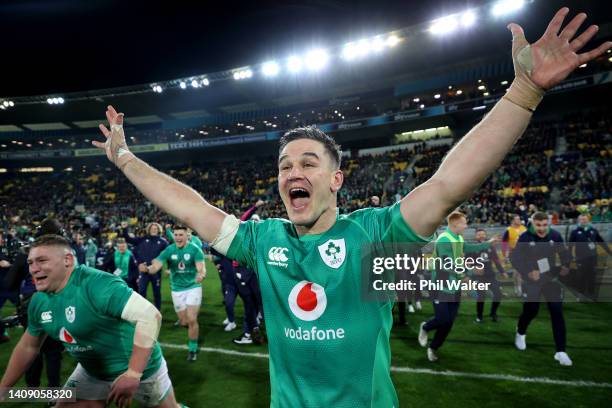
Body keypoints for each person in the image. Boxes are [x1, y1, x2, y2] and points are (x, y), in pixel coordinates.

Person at [92, 10, 611, 405]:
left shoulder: (374, 240)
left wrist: (522, 91)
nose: (292, 172)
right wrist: (126, 160)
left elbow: (448, 184)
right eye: (284, 165)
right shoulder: (264, 241)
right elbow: (191, 208)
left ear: (337, 179)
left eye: (308, 163)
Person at [0, 235, 185, 407]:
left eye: (42, 261)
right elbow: (28, 347)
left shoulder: (97, 284)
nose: (33, 268)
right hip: (92, 371)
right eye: (30, 263)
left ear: (68, 260)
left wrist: (133, 373)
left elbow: (150, 316)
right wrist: (4, 389)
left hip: (142, 370)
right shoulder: (38, 301)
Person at [418, 212, 496, 361]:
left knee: (449, 322)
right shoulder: (444, 240)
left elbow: (469, 248)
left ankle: (433, 347)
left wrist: (488, 243)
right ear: (455, 224)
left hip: (454, 286)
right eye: (464, 223)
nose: (466, 225)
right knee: (442, 319)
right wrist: (470, 272)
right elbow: (447, 265)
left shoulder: (458, 238)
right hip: (440, 286)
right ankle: (426, 327)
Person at [511, 212, 572, 366]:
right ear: (533, 224)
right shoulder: (525, 237)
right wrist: (528, 272)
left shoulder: (556, 236)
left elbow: (564, 253)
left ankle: (561, 351)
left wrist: (566, 265)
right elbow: (515, 258)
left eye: (545, 225)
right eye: (538, 225)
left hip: (550, 279)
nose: (542, 228)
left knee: (556, 310)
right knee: (531, 310)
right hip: (531, 280)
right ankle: (521, 331)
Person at [146, 225, 205, 361]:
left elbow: (201, 268)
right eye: (176, 235)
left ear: (186, 236)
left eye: (181, 235)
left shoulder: (195, 249)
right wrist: (147, 269)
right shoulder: (169, 250)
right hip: (177, 289)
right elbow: (156, 266)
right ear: (173, 236)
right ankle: (191, 328)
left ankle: (192, 348)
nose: (178, 237)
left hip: (193, 287)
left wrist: (201, 275)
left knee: (191, 319)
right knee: (184, 321)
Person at [121, 222, 168, 310]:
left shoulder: (163, 242)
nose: (154, 230)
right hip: (143, 270)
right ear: (149, 230)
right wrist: (124, 229)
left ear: (158, 230)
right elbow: (129, 239)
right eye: (152, 229)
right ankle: (142, 310)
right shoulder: (142, 239)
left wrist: (168, 268)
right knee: (142, 292)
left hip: (155, 271)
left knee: (157, 292)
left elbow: (168, 254)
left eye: (156, 229)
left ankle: (157, 311)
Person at [467, 228, 507, 323]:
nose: (481, 236)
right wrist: (474, 268)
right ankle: (479, 317)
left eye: (483, 234)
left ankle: (493, 313)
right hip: (478, 277)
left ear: (485, 236)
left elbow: (496, 260)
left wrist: (502, 271)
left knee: (498, 294)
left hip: (490, 276)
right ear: (475, 236)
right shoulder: (471, 247)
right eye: (479, 234)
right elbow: (467, 262)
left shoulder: (490, 247)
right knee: (481, 296)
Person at [569, 213, 611, 299]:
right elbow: (570, 246)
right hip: (580, 258)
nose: (583, 221)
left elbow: (601, 242)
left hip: (593, 258)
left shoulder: (594, 231)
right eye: (582, 219)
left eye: (585, 219)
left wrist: (609, 252)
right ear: (578, 221)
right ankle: (580, 294)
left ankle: (591, 293)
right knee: (581, 276)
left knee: (592, 275)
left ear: (588, 220)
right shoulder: (575, 232)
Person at [502, 214, 527, 296]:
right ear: (512, 221)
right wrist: (504, 255)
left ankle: (517, 288)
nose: (519, 220)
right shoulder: (508, 230)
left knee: (517, 272)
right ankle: (519, 289)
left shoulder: (524, 228)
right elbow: (504, 243)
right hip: (514, 253)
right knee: (518, 271)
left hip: (524, 252)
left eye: (519, 219)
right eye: (517, 219)